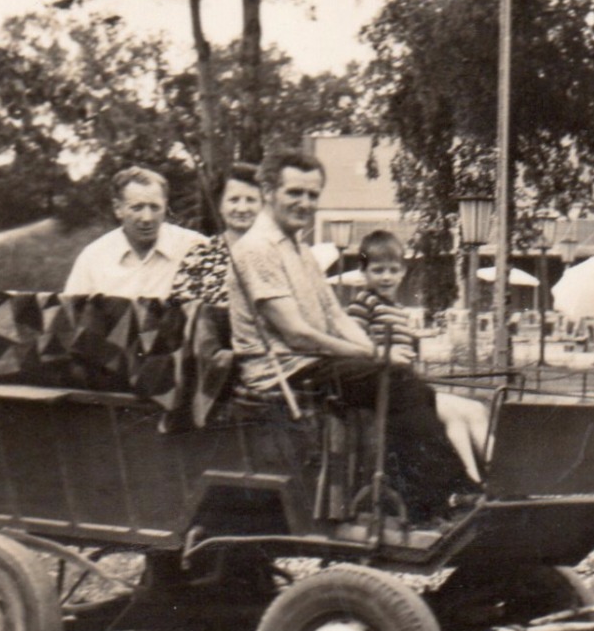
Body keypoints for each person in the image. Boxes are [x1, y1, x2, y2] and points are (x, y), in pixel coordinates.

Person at [226, 150, 478, 523]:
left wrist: (375, 350)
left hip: (311, 363)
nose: (305, 204)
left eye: (313, 195)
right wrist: (376, 358)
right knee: (392, 379)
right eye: (295, 192)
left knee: (411, 384)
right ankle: (441, 494)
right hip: (281, 371)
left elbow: (335, 317)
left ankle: (424, 495)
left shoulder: (300, 249)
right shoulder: (256, 249)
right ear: (268, 191)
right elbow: (297, 335)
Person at [347, 228, 490, 483]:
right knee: (455, 416)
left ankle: (500, 473)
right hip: (383, 388)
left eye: (393, 270)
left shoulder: (399, 310)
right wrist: (382, 355)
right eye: (377, 270)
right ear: (364, 272)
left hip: (406, 385)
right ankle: (473, 481)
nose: (386, 277)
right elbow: (354, 348)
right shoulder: (363, 304)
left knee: (477, 409)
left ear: (403, 271)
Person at [64, 167, 206, 298]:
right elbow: (71, 318)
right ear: (118, 208)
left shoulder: (195, 247)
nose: (147, 218)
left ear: (165, 205)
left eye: (155, 207)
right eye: (137, 208)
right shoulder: (93, 258)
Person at [170, 163, 262, 305]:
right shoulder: (201, 255)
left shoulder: (275, 253)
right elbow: (180, 309)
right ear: (220, 205)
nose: (242, 208)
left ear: (264, 205)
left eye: (251, 200)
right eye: (234, 200)